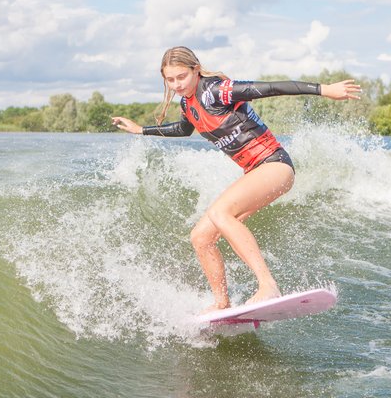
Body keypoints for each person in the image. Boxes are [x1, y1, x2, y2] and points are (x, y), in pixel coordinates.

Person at [112, 46, 361, 313]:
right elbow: (183, 129)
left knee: (220, 212)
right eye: (169, 80)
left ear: (196, 70)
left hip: (275, 165)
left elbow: (270, 88)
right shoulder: (188, 103)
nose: (176, 85)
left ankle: (268, 285)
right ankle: (221, 303)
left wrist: (324, 89)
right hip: (255, 172)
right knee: (201, 237)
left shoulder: (217, 91)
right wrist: (141, 130)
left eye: (181, 77)